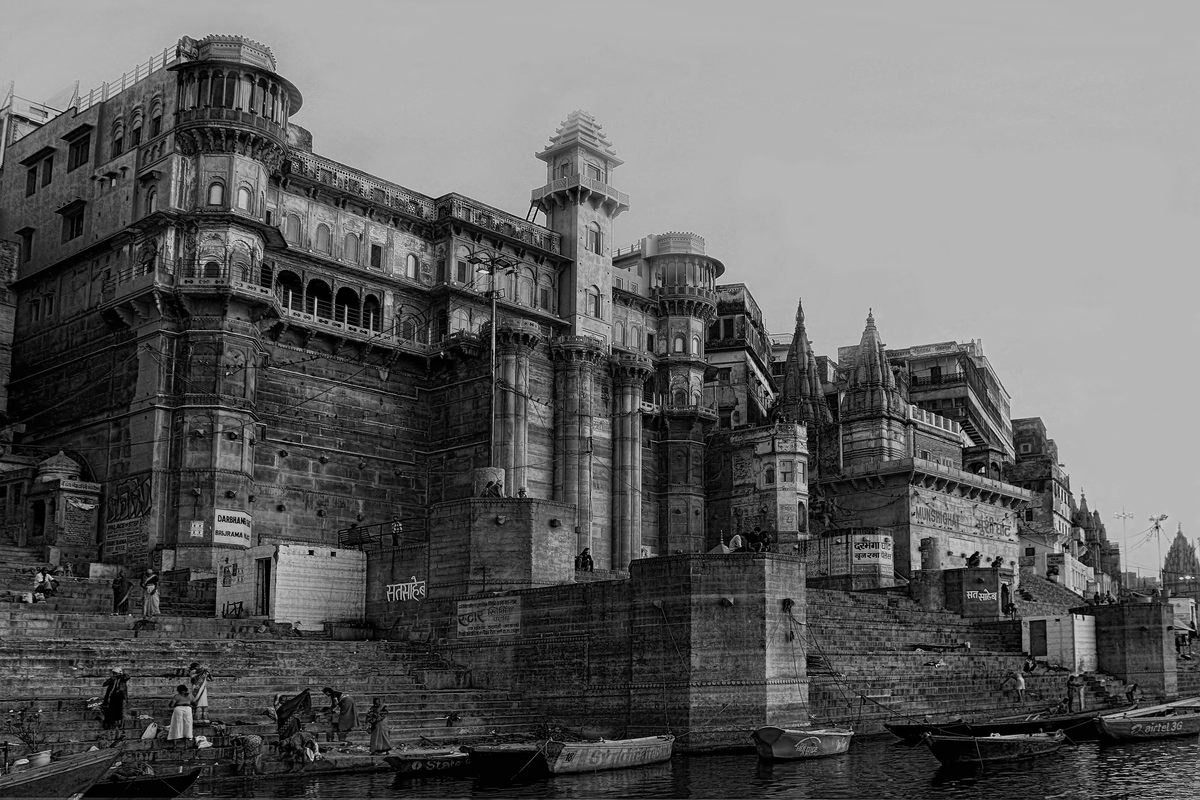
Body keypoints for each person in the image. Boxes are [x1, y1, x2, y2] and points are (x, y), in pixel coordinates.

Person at [167, 683, 194, 748]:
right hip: (188, 709)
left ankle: (175, 745)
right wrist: (187, 703)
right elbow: (195, 703)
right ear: (185, 689)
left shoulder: (177, 696)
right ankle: (186, 745)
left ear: (178, 690)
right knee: (187, 726)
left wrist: (178, 704)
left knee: (176, 725)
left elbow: (171, 705)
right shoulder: (190, 696)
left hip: (178, 709)